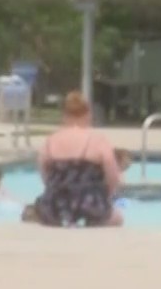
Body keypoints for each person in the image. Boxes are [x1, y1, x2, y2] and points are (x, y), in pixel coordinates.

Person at [31, 91, 123, 228]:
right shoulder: (98, 140)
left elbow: (44, 175)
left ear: (64, 116)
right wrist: (106, 196)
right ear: (88, 114)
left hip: (55, 206)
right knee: (118, 218)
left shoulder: (51, 141)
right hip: (90, 204)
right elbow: (113, 177)